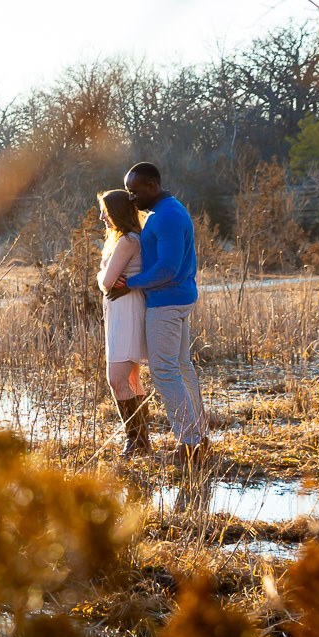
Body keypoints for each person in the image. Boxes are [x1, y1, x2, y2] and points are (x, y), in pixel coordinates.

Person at [106, 161, 209, 462]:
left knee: (165, 372)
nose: (131, 198)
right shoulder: (167, 211)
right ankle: (198, 437)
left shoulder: (167, 217)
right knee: (181, 367)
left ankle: (190, 445)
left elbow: (168, 267)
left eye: (134, 191)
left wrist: (132, 283)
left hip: (166, 302)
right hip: (176, 297)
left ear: (151, 186)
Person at [95, 188, 150, 458]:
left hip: (127, 309)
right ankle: (141, 443)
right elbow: (103, 279)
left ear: (116, 211)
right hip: (121, 308)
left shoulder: (128, 240)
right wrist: (104, 277)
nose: (101, 216)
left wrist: (104, 278)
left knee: (117, 378)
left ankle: (135, 440)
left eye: (105, 210)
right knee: (130, 378)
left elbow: (106, 282)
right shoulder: (123, 239)